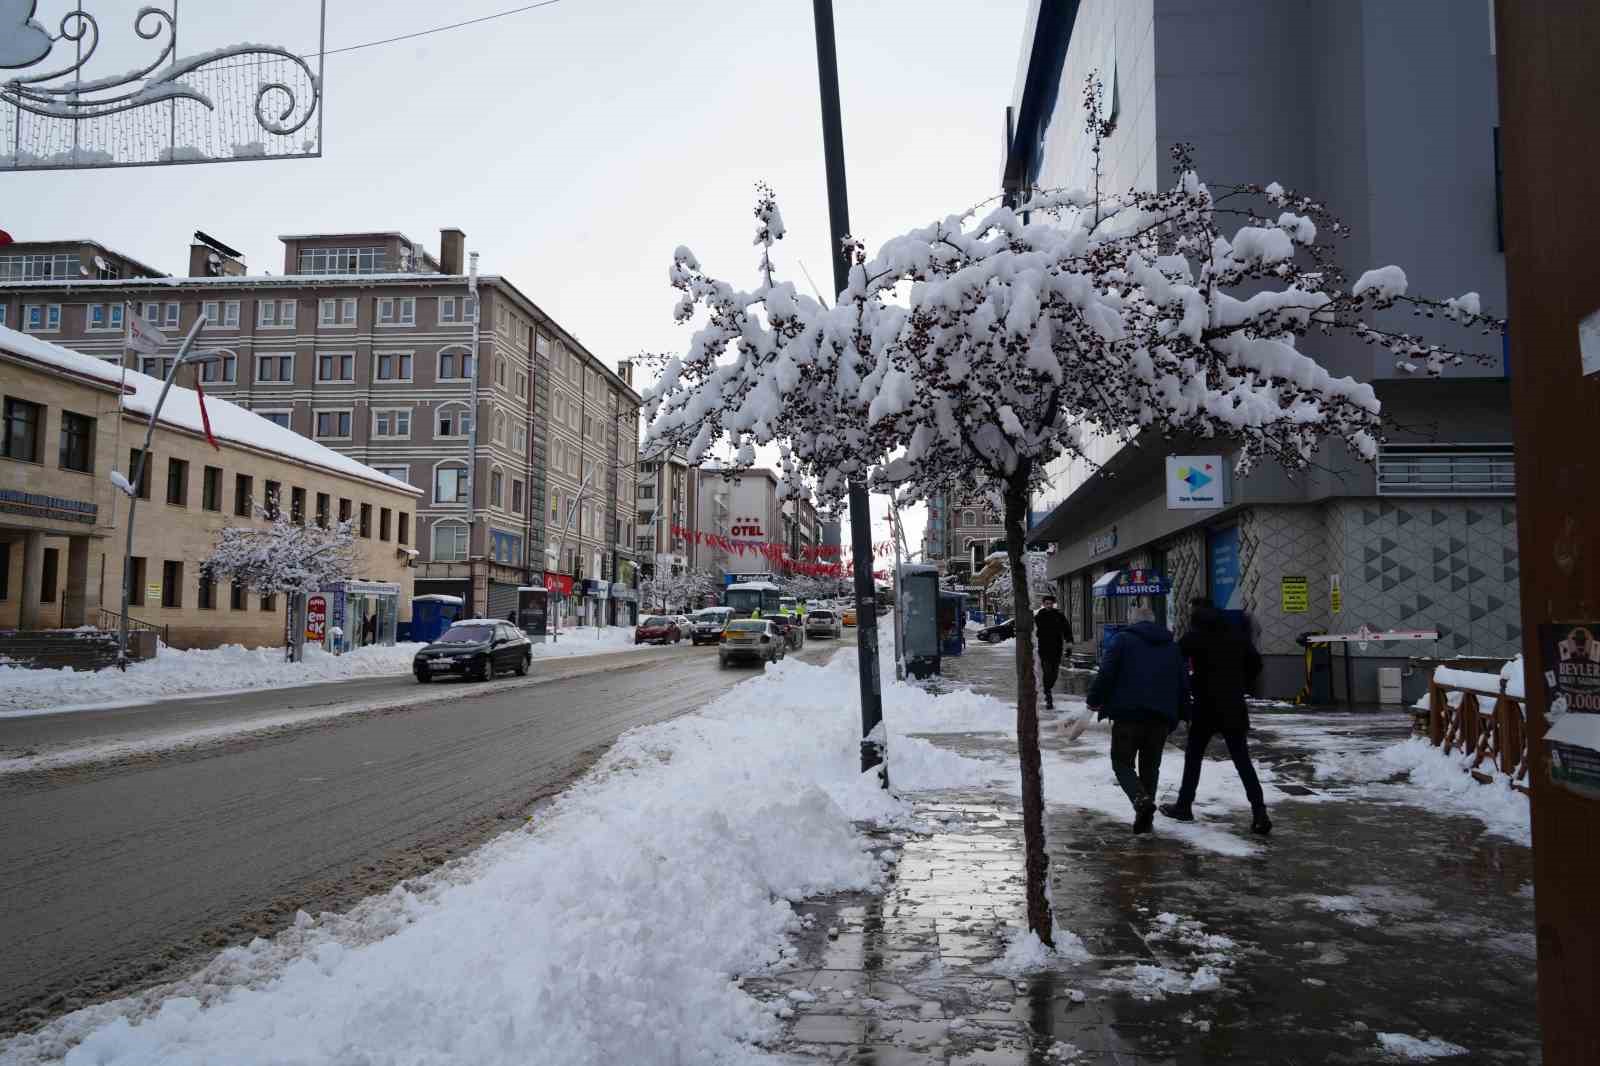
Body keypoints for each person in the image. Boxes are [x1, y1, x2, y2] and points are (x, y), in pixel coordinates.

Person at [1160, 599, 1271, 835]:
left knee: (1194, 758)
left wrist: (1189, 684)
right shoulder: (1236, 636)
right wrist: (1240, 682)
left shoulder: (1195, 636)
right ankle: (1260, 813)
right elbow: (1256, 664)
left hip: (1205, 707)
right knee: (1243, 761)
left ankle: (1184, 805)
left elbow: (1173, 660)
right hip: (1233, 706)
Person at [1086, 604, 1188, 834]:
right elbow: (1183, 683)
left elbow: (1106, 673)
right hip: (1160, 718)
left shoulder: (1122, 641)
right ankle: (1145, 821)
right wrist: (1183, 714)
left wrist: (1093, 700)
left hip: (1127, 715)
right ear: (1153, 621)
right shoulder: (1171, 646)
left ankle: (1140, 800)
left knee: (1122, 763)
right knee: (1151, 768)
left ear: (1132, 621)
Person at [1033, 594, 1072, 709]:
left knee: (1054, 674)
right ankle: (1048, 695)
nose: (1048, 605)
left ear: (1053, 604)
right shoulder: (1039, 616)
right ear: (1043, 604)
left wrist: (1069, 646)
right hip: (1044, 649)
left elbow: (1067, 631)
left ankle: (1048, 688)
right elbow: (1033, 632)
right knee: (1047, 671)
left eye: (1050, 603)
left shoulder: (1059, 616)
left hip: (1056, 649)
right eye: (1046, 603)